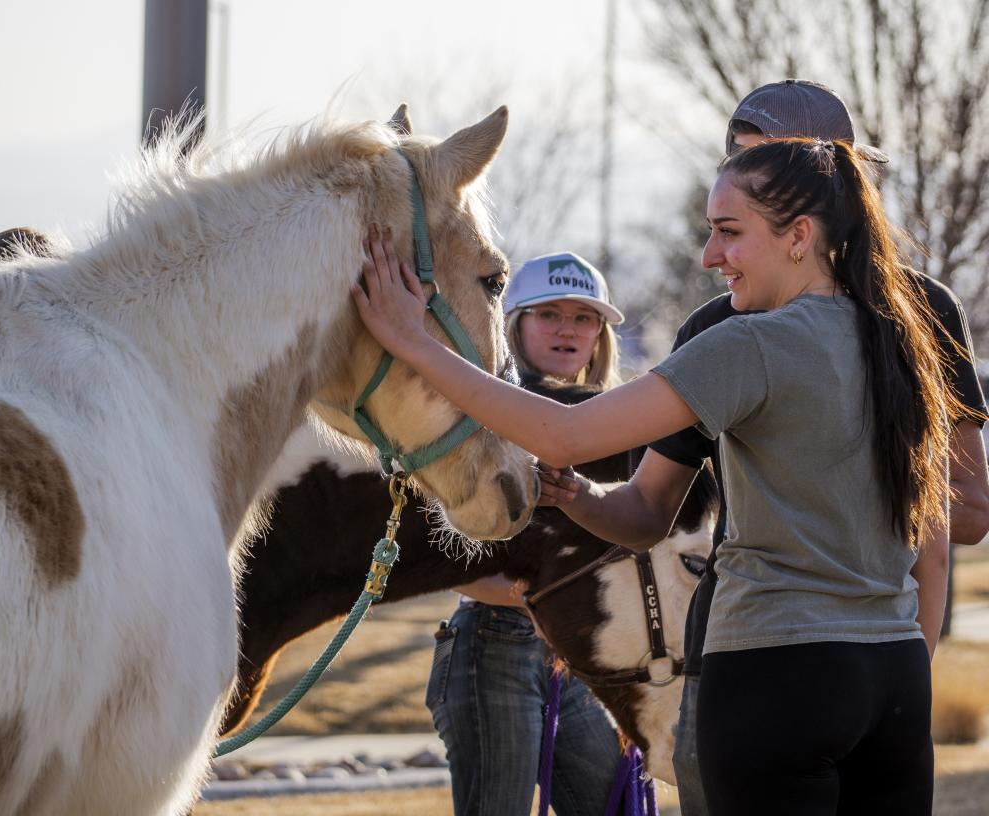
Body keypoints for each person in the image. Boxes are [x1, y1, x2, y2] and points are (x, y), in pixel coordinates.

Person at [353, 133, 960, 814]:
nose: (709, 258)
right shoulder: (904, 343)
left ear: (799, 235)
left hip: (778, 671)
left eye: (729, 233)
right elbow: (930, 541)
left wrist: (411, 341)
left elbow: (565, 432)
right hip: (895, 677)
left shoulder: (748, 342)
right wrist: (579, 496)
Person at [650, 80, 989, 816]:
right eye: (741, 168)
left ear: (843, 181)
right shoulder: (719, 325)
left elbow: (967, 513)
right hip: (743, 650)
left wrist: (879, 483)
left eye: (778, 169)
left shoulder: (926, 313)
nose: (754, 189)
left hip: (881, 655)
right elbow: (650, 500)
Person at [426, 251, 624, 816]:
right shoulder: (475, 423)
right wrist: (542, 600)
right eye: (549, 314)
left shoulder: (621, 423)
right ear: (513, 325)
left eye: (584, 317)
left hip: (581, 656)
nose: (568, 329)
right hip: (494, 643)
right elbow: (446, 556)